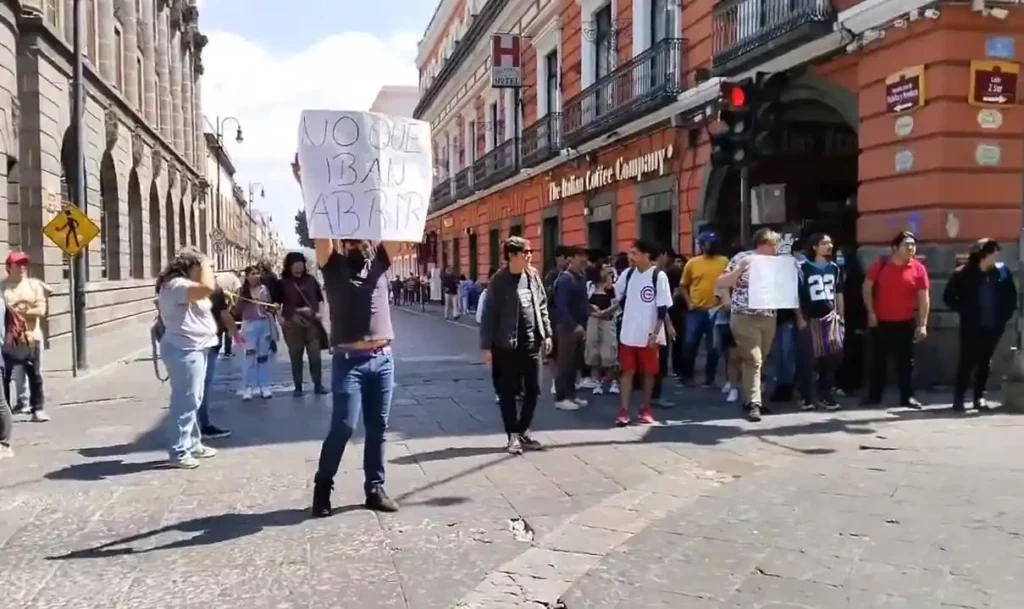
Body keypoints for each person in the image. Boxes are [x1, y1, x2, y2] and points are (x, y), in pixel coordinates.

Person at [479, 237, 552, 454]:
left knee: (533, 389)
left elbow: (542, 305)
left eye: (530, 251)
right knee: (508, 392)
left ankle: (523, 430)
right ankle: (512, 435)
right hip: (506, 346)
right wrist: (486, 347)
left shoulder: (533, 276)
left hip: (531, 343)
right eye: (525, 252)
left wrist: (547, 334)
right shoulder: (499, 281)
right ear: (511, 255)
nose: (529, 255)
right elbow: (488, 315)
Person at [156, 247, 220, 469]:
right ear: (192, 267)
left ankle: (193, 443)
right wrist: (204, 264)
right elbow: (208, 287)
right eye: (203, 267)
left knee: (194, 398)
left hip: (195, 347)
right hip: (184, 348)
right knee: (185, 400)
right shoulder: (177, 286)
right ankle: (179, 450)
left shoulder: (184, 287)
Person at [943, 238, 1017, 411]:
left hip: (993, 326)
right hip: (971, 326)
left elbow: (1011, 297)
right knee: (966, 362)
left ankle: (979, 397)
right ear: (983, 255)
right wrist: (965, 311)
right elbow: (948, 297)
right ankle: (959, 398)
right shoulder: (963, 274)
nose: (997, 257)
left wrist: (1004, 317)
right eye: (993, 253)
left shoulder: (1002, 273)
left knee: (985, 362)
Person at [716, 228, 781, 422]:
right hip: (744, 315)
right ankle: (755, 403)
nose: (777, 248)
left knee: (759, 358)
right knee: (754, 357)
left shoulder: (778, 263)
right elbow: (721, 282)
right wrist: (740, 269)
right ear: (763, 243)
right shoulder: (743, 258)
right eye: (774, 244)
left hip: (768, 315)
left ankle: (751, 397)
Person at [862, 231, 930, 408]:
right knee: (878, 362)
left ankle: (907, 397)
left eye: (913, 245)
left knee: (906, 363)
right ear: (895, 248)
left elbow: (924, 298)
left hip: (906, 322)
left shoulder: (918, 268)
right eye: (906, 244)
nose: (911, 248)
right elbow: (867, 288)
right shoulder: (881, 264)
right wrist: (871, 312)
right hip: (881, 321)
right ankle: (873, 396)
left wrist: (922, 324)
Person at [614, 240, 672, 426]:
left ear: (646, 255)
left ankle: (645, 408)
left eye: (635, 253)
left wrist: (656, 332)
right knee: (627, 371)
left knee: (649, 372)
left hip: (648, 333)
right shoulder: (628, 274)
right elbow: (619, 296)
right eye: (630, 253)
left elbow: (662, 308)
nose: (631, 257)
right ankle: (624, 410)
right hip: (628, 332)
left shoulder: (658, 276)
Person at [795, 234, 844, 411]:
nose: (829, 246)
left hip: (830, 317)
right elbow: (797, 296)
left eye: (830, 242)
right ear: (814, 247)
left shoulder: (834, 268)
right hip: (810, 317)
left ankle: (826, 393)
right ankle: (806, 396)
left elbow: (839, 293)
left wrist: (841, 316)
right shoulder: (803, 268)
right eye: (824, 243)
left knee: (832, 356)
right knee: (809, 359)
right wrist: (800, 318)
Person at [1, 251, 49, 422]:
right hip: (7, 338)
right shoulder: (2, 287)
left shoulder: (34, 286)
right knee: (4, 376)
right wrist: (24, 309)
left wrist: (18, 310)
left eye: (24, 264)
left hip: (30, 336)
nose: (22, 267)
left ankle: (38, 409)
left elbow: (41, 310)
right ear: (9, 267)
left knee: (35, 374)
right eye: (17, 264)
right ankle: (5, 412)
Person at [277, 251, 328, 397]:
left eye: (301, 262)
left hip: (311, 320)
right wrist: (279, 318)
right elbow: (275, 303)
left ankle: (318, 384)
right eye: (295, 262)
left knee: (315, 355)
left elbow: (320, 299)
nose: (298, 265)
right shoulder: (282, 283)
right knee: (295, 355)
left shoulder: (311, 280)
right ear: (289, 265)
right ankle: (298, 386)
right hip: (292, 321)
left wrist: (321, 314)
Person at [680, 233, 729, 386]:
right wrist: (689, 303)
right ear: (701, 245)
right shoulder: (692, 263)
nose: (712, 245)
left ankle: (710, 378)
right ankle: (687, 376)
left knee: (713, 347)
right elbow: (683, 286)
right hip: (696, 310)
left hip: (716, 310)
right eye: (709, 243)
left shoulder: (724, 261)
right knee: (690, 343)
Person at [196, 285, 237, 440]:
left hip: (195, 345)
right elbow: (224, 314)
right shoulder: (212, 290)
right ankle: (202, 426)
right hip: (204, 344)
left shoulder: (178, 287)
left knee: (193, 388)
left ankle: (197, 427)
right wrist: (236, 336)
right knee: (201, 387)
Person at [553, 246, 589, 411]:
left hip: (580, 327)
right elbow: (561, 306)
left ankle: (571, 395)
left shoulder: (581, 278)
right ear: (570, 259)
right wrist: (574, 326)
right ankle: (561, 397)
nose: (584, 261)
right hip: (567, 327)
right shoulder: (565, 280)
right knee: (564, 364)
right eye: (580, 257)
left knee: (574, 363)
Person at [236, 265, 278, 400]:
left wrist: (274, 307)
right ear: (247, 276)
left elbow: (269, 307)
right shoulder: (242, 291)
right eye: (253, 273)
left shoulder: (264, 290)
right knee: (249, 357)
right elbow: (237, 310)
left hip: (263, 325)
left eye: (257, 273)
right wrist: (241, 301)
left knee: (263, 357)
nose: (256, 276)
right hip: (249, 326)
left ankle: (264, 386)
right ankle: (248, 387)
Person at [585, 265, 619, 395]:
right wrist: (592, 308)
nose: (607, 270)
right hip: (593, 320)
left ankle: (614, 381)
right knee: (593, 351)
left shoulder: (614, 287)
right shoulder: (591, 286)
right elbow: (585, 302)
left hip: (608, 320)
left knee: (609, 352)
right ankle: (597, 382)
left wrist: (604, 312)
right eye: (604, 268)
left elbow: (616, 304)